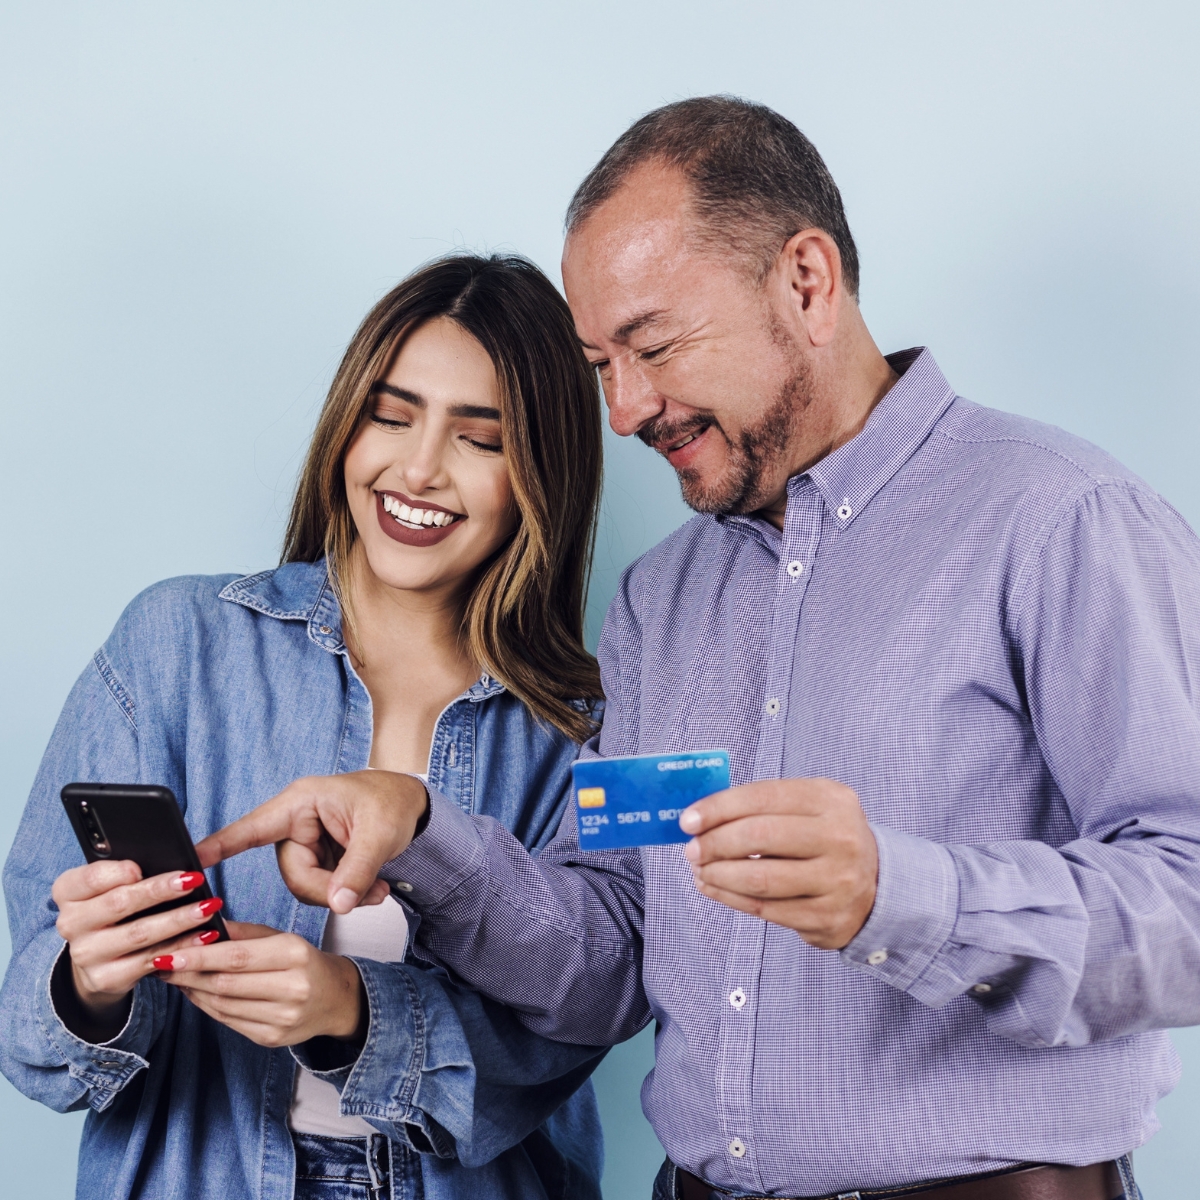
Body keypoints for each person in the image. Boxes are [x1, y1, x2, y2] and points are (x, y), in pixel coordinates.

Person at [202, 97, 1200, 1200]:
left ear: (807, 284)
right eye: (600, 366)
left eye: (654, 345)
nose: (625, 410)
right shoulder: (661, 601)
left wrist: (899, 895)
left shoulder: (1062, 521)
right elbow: (615, 955)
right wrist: (425, 834)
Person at [0, 254, 611, 1200]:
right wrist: (91, 982)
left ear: (541, 474)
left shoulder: (576, 731)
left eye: (479, 439)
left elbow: (575, 1027)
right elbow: (29, 1039)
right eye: (392, 416)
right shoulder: (177, 643)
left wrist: (348, 1013)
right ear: (347, 424)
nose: (417, 468)